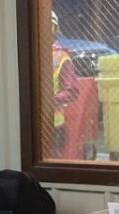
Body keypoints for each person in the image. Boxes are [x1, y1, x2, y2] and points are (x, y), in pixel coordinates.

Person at [51, 11, 79, 156]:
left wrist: (51, 101)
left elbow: (72, 91)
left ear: (55, 29)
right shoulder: (29, 52)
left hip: (53, 124)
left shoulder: (61, 57)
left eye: (51, 26)